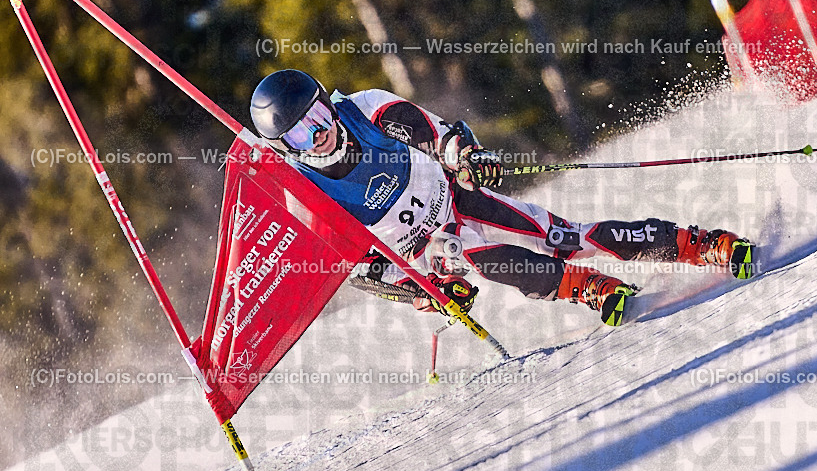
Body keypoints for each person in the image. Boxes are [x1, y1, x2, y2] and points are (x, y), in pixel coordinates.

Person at [250, 69, 755, 326]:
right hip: (424, 252)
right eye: (300, 134)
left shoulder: (365, 109)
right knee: (471, 254)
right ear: (286, 146)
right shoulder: (308, 195)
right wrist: (426, 294)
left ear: (328, 103)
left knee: (564, 237)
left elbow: (437, 134)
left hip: (454, 196)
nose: (319, 135)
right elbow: (362, 272)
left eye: (318, 117)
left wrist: (466, 156)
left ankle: (697, 244)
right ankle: (584, 287)